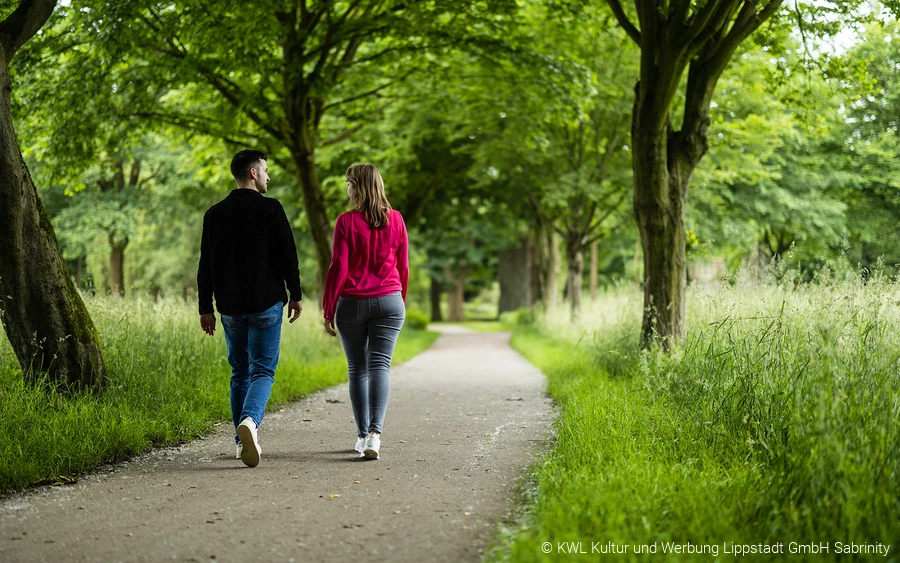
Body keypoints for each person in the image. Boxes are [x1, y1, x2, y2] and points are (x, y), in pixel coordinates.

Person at [197, 149, 303, 468]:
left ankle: (240, 442)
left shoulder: (214, 214)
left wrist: (206, 307)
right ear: (253, 173)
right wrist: (295, 295)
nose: (269, 176)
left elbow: (206, 266)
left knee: (239, 371)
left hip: (229, 307)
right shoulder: (271, 209)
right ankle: (250, 423)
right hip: (266, 303)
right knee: (263, 370)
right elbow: (288, 257)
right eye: (266, 170)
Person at [322, 163, 408, 460]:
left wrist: (328, 307)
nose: (347, 188)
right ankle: (375, 435)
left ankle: (361, 436)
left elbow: (338, 268)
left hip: (353, 303)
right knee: (380, 366)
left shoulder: (345, 222)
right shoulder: (396, 219)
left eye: (349, 183)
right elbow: (404, 266)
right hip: (390, 300)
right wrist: (399, 299)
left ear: (357, 188)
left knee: (358, 369)